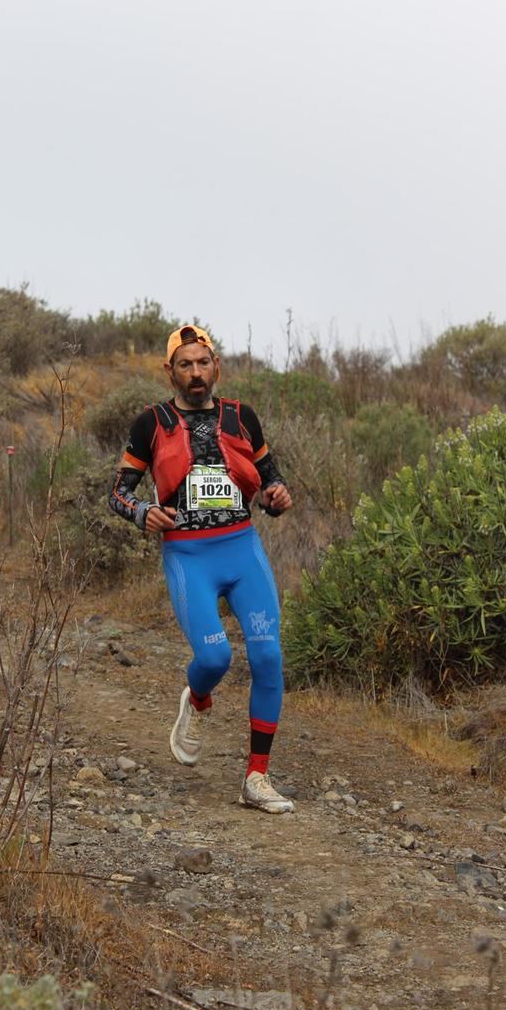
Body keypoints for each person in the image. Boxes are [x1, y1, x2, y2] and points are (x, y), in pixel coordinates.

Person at [109, 324, 295, 814]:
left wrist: (277, 497)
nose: (195, 372)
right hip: (189, 556)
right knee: (214, 660)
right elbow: (118, 492)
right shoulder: (151, 422)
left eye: (202, 362)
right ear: (169, 371)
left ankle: (257, 777)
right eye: (185, 364)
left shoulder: (242, 417)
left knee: (269, 658)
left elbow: (270, 481)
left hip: (242, 548)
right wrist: (140, 512)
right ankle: (197, 699)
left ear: (217, 366)